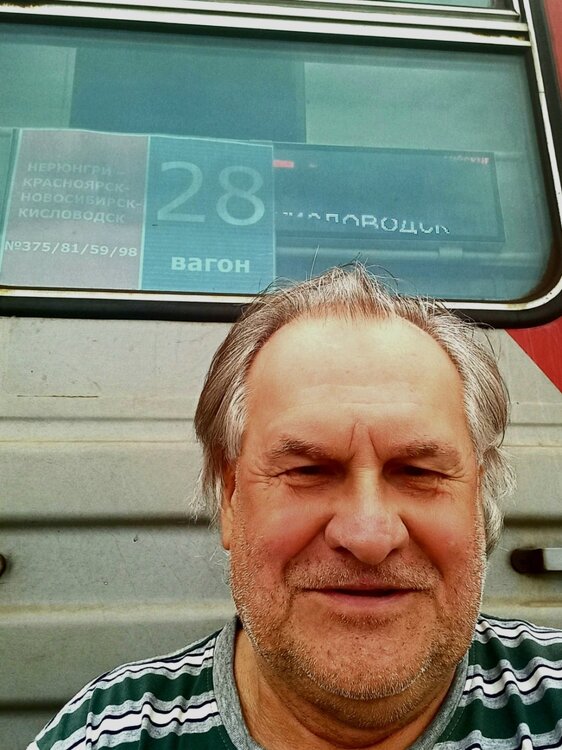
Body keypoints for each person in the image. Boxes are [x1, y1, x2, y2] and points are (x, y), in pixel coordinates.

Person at [29, 265, 562, 750]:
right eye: (307, 471)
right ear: (230, 497)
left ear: (478, 499)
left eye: (420, 473)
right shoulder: (107, 734)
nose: (369, 535)